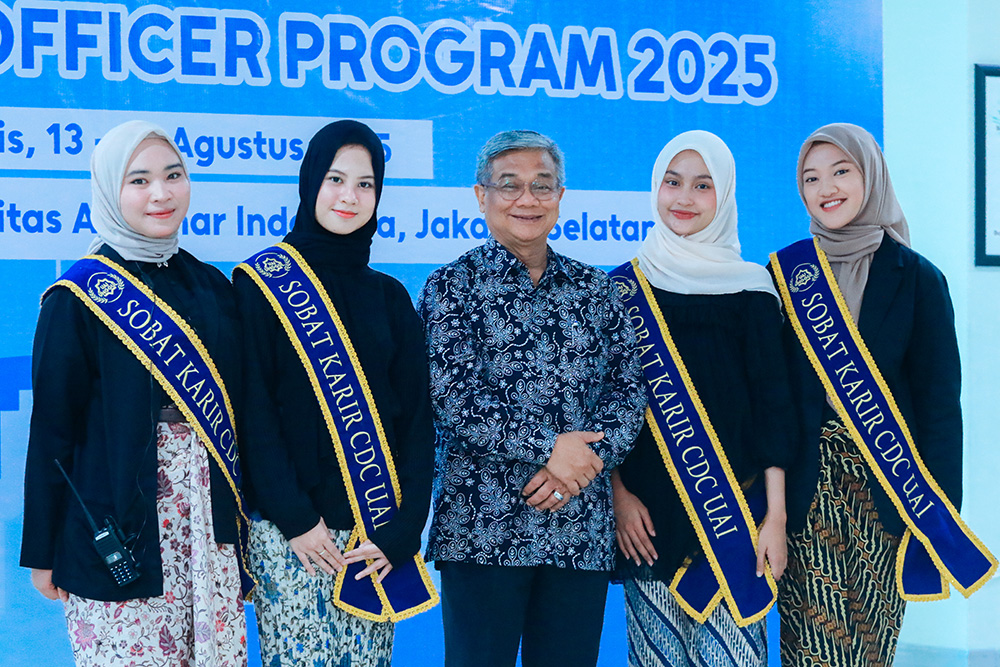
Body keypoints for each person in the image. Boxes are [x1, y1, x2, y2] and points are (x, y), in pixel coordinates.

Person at [20, 120, 248, 665]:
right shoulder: (77, 299)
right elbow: (52, 432)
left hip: (206, 528)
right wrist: (42, 551)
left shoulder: (213, 287)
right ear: (109, 190)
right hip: (118, 521)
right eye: (139, 180)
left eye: (174, 175)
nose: (161, 194)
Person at [418, 129, 646, 667]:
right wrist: (551, 449)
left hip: (578, 532)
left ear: (560, 196)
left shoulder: (597, 291)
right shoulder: (450, 288)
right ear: (481, 196)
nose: (527, 199)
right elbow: (452, 399)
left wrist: (580, 465)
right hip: (482, 529)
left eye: (542, 186)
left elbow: (628, 393)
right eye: (509, 185)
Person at [233, 120, 437, 666]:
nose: (350, 196)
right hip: (293, 537)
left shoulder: (390, 297)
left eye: (365, 184)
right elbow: (255, 416)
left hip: (376, 540)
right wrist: (296, 520)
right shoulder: (259, 285)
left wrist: (404, 531)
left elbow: (416, 423)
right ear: (310, 183)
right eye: (335, 179)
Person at [773, 123, 972, 666]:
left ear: (872, 176)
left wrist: (939, 513)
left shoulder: (919, 278)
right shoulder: (785, 275)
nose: (826, 188)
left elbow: (939, 408)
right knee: (809, 648)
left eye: (841, 171)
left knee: (868, 648)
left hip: (887, 496)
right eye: (811, 178)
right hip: (807, 498)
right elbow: (774, 400)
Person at [610, 130, 793, 667]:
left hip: (735, 521)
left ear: (725, 194)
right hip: (646, 525)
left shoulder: (752, 289)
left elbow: (773, 410)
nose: (684, 198)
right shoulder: (621, 289)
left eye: (703, 185)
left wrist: (775, 518)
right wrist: (617, 497)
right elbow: (599, 409)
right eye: (673, 182)